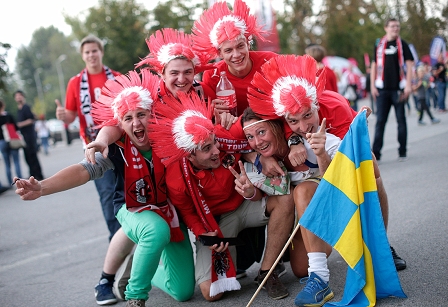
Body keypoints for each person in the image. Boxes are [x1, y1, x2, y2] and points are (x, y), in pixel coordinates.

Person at [15, 70, 196, 307]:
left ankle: (145, 268)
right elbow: (83, 171)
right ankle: (135, 295)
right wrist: (42, 187)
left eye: (141, 114)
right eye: (128, 118)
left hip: (169, 212)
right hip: (132, 211)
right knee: (155, 231)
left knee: (183, 291)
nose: (137, 123)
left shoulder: (169, 136)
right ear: (119, 124)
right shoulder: (116, 146)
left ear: (153, 115)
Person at [87, 28, 218, 305]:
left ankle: (148, 266)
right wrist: (99, 141)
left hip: (183, 189)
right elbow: (117, 121)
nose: (181, 79)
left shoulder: (201, 92)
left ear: (194, 71)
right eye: (174, 73)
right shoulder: (150, 97)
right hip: (150, 194)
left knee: (183, 291)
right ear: (162, 74)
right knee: (142, 226)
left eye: (187, 72)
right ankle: (110, 279)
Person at [147, 91, 295, 301]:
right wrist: (204, 234)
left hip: (245, 204)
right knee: (211, 293)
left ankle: (267, 273)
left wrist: (260, 161)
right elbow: (188, 214)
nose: (217, 150)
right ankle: (157, 272)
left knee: (285, 199)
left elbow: (254, 122)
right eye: (207, 149)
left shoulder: (221, 135)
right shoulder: (176, 178)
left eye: (215, 142)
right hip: (215, 221)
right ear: (189, 154)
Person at [55, 34, 121, 242]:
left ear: (101, 52)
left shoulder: (117, 77)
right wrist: (64, 116)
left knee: (127, 191)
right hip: (93, 146)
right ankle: (116, 239)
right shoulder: (75, 83)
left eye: (94, 50)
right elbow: (72, 115)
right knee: (107, 192)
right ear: (83, 56)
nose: (91, 55)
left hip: (119, 142)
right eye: (87, 52)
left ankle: (132, 236)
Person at [192, 0, 278, 116]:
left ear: (248, 44)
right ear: (220, 53)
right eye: (228, 50)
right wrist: (214, 111)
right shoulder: (212, 74)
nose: (236, 54)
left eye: (240, 46)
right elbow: (215, 116)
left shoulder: (271, 61)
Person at [370, 18, 414, 162]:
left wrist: (408, 85)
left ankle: (402, 151)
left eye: (397, 26)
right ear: (386, 28)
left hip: (398, 89)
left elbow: (409, 65)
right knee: (380, 121)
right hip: (382, 89)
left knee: (401, 120)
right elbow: (374, 66)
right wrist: (372, 86)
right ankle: (376, 153)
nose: (395, 28)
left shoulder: (403, 45)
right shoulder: (379, 45)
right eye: (392, 26)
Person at [13, 90, 44, 180]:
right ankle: (32, 174)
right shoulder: (19, 110)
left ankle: (38, 174)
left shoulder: (26, 107)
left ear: (23, 97)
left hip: (30, 135)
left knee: (32, 155)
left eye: (20, 96)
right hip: (23, 136)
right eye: (17, 96)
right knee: (27, 156)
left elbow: (31, 119)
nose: (18, 97)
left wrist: (20, 124)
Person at [0, 98, 23, 185]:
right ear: (3, 106)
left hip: (2, 142)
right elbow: (16, 128)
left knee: (7, 163)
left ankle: (10, 182)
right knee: (16, 161)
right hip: (12, 140)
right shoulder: (8, 116)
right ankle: (19, 180)